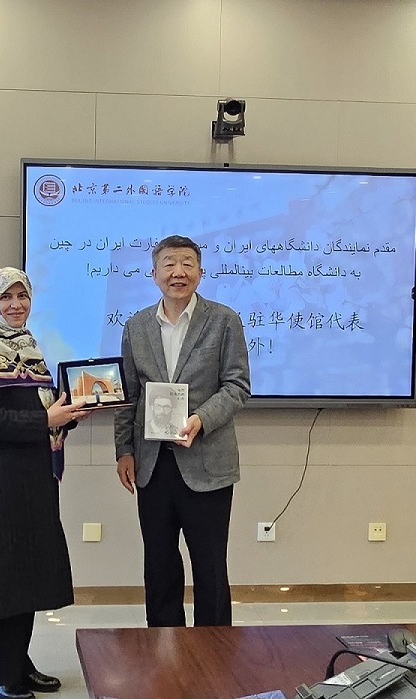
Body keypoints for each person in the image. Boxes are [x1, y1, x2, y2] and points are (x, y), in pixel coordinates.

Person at [0, 267, 89, 699]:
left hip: (29, 486)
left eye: (22, 296)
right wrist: (46, 419)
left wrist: (68, 415)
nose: (16, 305)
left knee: (23, 576)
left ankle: (16, 663)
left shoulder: (27, 347)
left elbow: (39, 412)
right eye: (6, 297)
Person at [113, 235, 251, 627]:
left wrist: (201, 419)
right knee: (159, 565)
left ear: (200, 273)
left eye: (187, 263)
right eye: (169, 264)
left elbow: (237, 385)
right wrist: (124, 450)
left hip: (207, 463)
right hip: (153, 465)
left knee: (210, 566)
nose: (179, 272)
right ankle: (163, 648)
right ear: (154, 273)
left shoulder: (224, 320)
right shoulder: (136, 326)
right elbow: (129, 394)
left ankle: (214, 651)